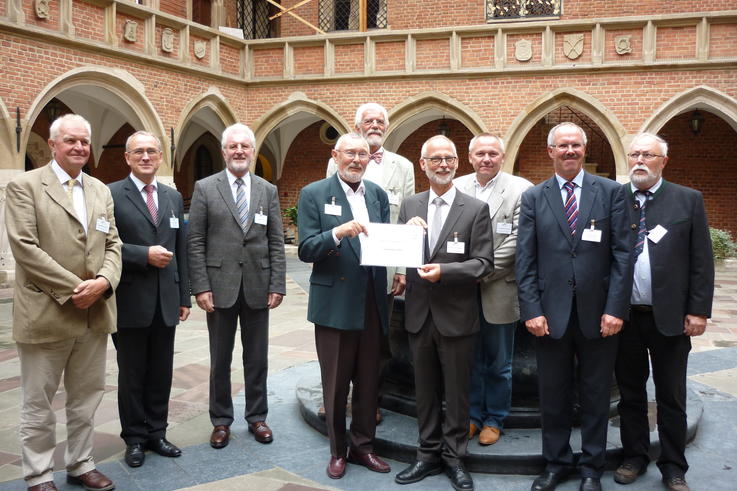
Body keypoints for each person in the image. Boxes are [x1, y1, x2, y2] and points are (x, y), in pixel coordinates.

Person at [6, 114, 121, 491]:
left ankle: (81, 462)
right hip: (47, 312)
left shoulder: (100, 191)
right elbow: (25, 248)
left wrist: (103, 282)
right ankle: (39, 474)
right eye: (70, 141)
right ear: (53, 145)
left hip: (94, 314)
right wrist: (78, 288)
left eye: (84, 141)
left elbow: (114, 244)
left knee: (86, 398)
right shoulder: (25, 186)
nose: (79, 147)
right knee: (39, 404)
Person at [515, 122, 630, 491]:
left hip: (600, 316)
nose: (569, 151)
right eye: (562, 145)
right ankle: (556, 463)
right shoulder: (534, 197)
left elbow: (623, 255)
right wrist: (531, 309)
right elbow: (525, 259)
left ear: (584, 149)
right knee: (553, 394)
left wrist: (616, 309)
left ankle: (592, 468)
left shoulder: (612, 192)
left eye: (576, 145)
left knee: (596, 394)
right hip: (549, 316)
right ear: (550, 151)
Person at [613, 133, 714, 491]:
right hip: (624, 318)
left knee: (671, 395)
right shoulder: (615, 198)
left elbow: (702, 261)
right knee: (630, 393)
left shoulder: (687, 200)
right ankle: (634, 456)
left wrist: (698, 310)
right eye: (634, 154)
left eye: (648, 155)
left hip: (671, 317)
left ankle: (673, 466)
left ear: (663, 161)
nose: (639, 160)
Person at [395, 135, 493, 491]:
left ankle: (455, 458)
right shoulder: (410, 205)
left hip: (457, 315)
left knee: (457, 392)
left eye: (448, 158)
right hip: (419, 314)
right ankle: (426, 454)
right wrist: (402, 236)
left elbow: (484, 263)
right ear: (422, 164)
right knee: (425, 391)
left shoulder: (475, 208)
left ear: (457, 163)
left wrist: (445, 272)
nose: (442, 164)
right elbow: (401, 257)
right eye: (435, 159)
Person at [298, 133, 397, 479]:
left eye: (363, 154)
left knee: (369, 380)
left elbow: (386, 243)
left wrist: (408, 238)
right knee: (336, 384)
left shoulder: (379, 195)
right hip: (334, 303)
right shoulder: (314, 194)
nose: (357, 159)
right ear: (336, 156)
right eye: (350, 153)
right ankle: (338, 451)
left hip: (372, 299)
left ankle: (364, 446)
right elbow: (306, 249)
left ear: (370, 159)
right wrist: (337, 233)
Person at [188, 123, 286, 449]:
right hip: (219, 287)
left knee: (257, 359)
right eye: (233, 146)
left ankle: (257, 417)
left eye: (245, 146)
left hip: (258, 286)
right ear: (224, 151)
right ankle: (221, 421)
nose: (239, 151)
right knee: (220, 359)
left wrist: (278, 284)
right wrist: (201, 287)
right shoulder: (204, 188)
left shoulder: (266, 190)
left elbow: (275, 241)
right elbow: (196, 241)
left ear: (253, 151)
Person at [109, 131, 191, 468]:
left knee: (161, 372)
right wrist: (143, 255)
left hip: (166, 300)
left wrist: (184, 295)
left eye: (152, 151)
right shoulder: (111, 194)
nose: (146, 157)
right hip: (129, 300)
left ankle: (157, 432)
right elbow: (105, 244)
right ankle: (134, 438)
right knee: (132, 374)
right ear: (127, 157)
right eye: (138, 151)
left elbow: (181, 248)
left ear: (161, 157)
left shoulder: (172, 196)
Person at [454, 133, 533, 446]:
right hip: (460, 292)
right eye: (480, 153)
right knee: (469, 358)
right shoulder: (456, 186)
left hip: (498, 287)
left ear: (503, 156)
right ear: (470, 156)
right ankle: (472, 416)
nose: (486, 159)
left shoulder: (520, 189)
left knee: (500, 363)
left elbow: (518, 241)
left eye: (493, 153)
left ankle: (494, 419)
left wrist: (477, 270)